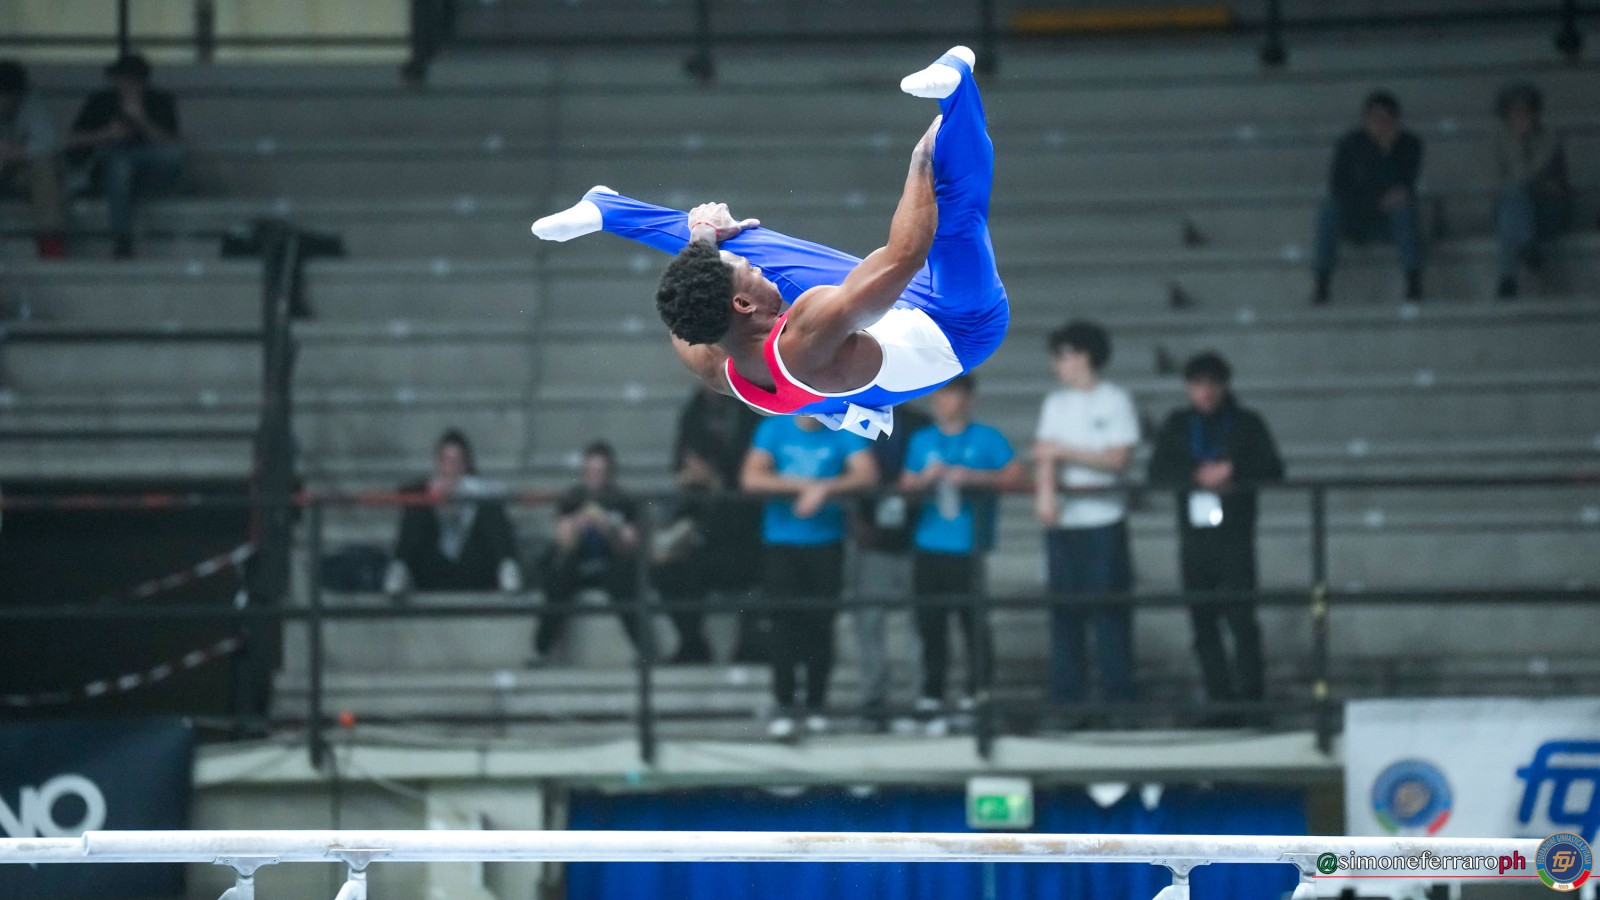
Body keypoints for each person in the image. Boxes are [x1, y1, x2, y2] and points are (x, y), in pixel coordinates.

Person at [530, 46, 1008, 441]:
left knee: (736, 240)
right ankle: (959, 82)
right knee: (955, 218)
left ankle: (609, 209)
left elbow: (686, 299)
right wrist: (922, 159)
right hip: (960, 328)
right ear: (742, 303)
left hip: (861, 339)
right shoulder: (809, 329)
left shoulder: (715, 360)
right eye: (748, 275)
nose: (756, 269)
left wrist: (704, 236)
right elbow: (906, 255)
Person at [1147, 353, 1284, 724]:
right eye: (1197, 385)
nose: (1204, 392)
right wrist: (1195, 477)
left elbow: (1274, 468)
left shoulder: (1247, 423)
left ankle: (1251, 700)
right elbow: (1157, 472)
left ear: (1224, 386)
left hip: (1235, 537)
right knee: (1202, 622)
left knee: (1242, 621)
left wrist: (1233, 471)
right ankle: (1218, 699)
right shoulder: (1178, 424)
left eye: (1211, 384)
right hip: (1194, 540)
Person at [899, 375, 1025, 733]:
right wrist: (924, 480)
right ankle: (931, 698)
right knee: (930, 626)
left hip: (968, 548)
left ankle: (976, 696)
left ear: (968, 399)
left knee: (973, 626)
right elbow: (904, 487)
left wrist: (973, 478)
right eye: (938, 394)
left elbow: (1018, 479)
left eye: (951, 394)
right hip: (928, 546)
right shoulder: (921, 440)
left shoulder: (987, 438)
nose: (943, 401)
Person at [741, 415, 878, 739]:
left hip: (826, 543)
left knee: (821, 623)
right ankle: (784, 703)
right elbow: (751, 478)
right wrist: (806, 487)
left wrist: (825, 489)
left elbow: (867, 473)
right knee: (783, 624)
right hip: (782, 542)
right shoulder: (774, 428)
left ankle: (816, 703)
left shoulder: (841, 427)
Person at [1032, 321, 1141, 719]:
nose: (1056, 365)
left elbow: (1118, 459)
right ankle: (1069, 701)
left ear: (1083, 356)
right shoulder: (1055, 404)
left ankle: (1119, 700)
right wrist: (1045, 494)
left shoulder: (1115, 400)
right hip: (1065, 522)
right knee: (1065, 614)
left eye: (1062, 356)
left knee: (1110, 612)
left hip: (1104, 519)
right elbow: (1044, 454)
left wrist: (1065, 452)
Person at [652, 385, 763, 663]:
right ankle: (693, 643)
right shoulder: (693, 412)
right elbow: (682, 467)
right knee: (665, 570)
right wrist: (688, 481)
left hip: (744, 528)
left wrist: (716, 482)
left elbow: (751, 482)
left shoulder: (749, 415)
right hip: (703, 527)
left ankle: (750, 646)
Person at [532, 441, 647, 663]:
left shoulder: (622, 500)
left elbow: (630, 545)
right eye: (592, 471)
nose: (596, 476)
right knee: (558, 579)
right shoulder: (573, 498)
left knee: (625, 580)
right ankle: (540, 651)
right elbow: (563, 543)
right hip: (578, 562)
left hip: (611, 562)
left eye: (601, 471)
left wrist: (610, 529)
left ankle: (644, 650)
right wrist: (577, 524)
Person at [1311, 90, 1425, 304]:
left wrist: (1387, 152)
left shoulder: (1409, 145)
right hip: (1356, 219)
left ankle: (1413, 282)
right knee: (1329, 210)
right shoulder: (1349, 145)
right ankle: (1321, 284)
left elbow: (1404, 187)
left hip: (1389, 223)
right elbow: (1339, 189)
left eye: (1386, 119)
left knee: (1404, 211)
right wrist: (1375, 201)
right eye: (1375, 118)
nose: (1381, 124)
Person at [64, 53, 181, 259]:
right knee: (120, 166)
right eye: (120, 79)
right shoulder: (101, 101)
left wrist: (141, 120)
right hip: (111, 165)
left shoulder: (160, 100)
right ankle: (122, 238)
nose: (124, 85)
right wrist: (105, 134)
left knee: (169, 155)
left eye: (130, 81)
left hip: (149, 171)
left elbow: (170, 145)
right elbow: (72, 140)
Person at [387, 430, 521, 596]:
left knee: (490, 506)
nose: (451, 467)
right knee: (417, 505)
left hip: (473, 570)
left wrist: (466, 492)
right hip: (434, 570)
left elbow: (501, 492)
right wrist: (431, 495)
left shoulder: (477, 488)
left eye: (456, 461)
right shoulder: (426, 487)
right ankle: (399, 568)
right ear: (438, 463)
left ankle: (509, 572)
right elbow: (403, 493)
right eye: (446, 460)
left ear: (465, 464)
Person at [1493, 82, 1570, 300]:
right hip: (1513, 208)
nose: (1521, 117)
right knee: (1514, 201)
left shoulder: (1549, 139)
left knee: (1513, 207)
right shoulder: (1499, 142)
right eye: (1515, 112)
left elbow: (1542, 182)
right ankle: (1527, 247)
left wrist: (1522, 146)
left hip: (1547, 210)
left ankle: (1508, 277)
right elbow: (1498, 183)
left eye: (1525, 111)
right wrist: (1517, 143)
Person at [0, 60, 67, 259]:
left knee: (44, 169)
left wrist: (13, 153)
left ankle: (50, 247)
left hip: (18, 173)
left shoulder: (32, 105)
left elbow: (49, 144)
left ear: (15, 95)